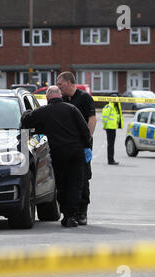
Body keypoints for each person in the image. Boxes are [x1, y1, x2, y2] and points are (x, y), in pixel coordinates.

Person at [21, 86, 92, 227]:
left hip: (59, 153)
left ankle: (66, 214)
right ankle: (72, 216)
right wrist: (86, 147)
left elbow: (26, 121)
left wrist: (27, 112)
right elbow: (85, 130)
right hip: (76, 152)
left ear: (47, 98)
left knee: (62, 184)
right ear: (60, 96)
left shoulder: (42, 112)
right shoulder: (72, 109)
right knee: (75, 184)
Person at [56, 71, 96, 225]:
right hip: (66, 146)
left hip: (81, 145)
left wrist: (87, 141)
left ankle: (82, 212)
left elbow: (92, 119)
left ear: (69, 82)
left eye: (60, 84)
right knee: (66, 179)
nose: (58, 87)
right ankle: (69, 212)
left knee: (83, 179)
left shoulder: (84, 97)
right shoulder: (62, 99)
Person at [102, 94, 123, 165]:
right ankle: (110, 160)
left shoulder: (114, 107)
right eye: (116, 99)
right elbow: (105, 118)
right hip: (109, 128)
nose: (117, 100)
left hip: (113, 127)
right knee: (110, 144)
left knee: (111, 144)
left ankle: (111, 159)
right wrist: (104, 126)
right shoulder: (109, 107)